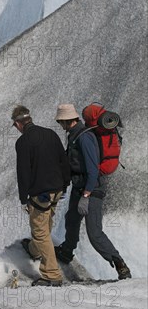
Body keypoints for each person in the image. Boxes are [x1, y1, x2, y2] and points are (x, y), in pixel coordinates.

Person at [54, 104, 131, 279]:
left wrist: (86, 195)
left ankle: (120, 265)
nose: (60, 125)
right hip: (80, 186)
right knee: (71, 220)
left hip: (92, 187)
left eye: (61, 122)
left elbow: (93, 169)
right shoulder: (74, 135)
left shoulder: (85, 137)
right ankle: (67, 251)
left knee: (94, 233)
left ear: (66, 120)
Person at [12, 105, 70, 287]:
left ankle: (51, 274)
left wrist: (23, 199)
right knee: (46, 223)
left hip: (40, 194)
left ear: (17, 124)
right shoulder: (50, 134)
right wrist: (65, 185)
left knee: (40, 231)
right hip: (57, 190)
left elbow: (23, 173)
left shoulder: (23, 142)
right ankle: (34, 250)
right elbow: (64, 161)